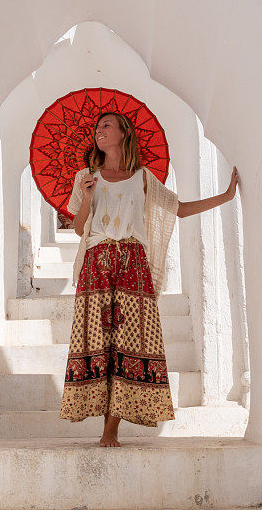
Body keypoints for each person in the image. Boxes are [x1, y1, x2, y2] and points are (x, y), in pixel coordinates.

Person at [59, 111, 240, 446]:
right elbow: (79, 227)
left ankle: (112, 427)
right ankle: (104, 426)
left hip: (133, 264)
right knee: (99, 342)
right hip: (97, 265)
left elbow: (180, 209)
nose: (99, 131)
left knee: (130, 342)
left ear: (124, 132)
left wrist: (226, 197)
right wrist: (86, 197)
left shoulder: (141, 177)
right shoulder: (85, 176)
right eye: (97, 127)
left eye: (106, 125)